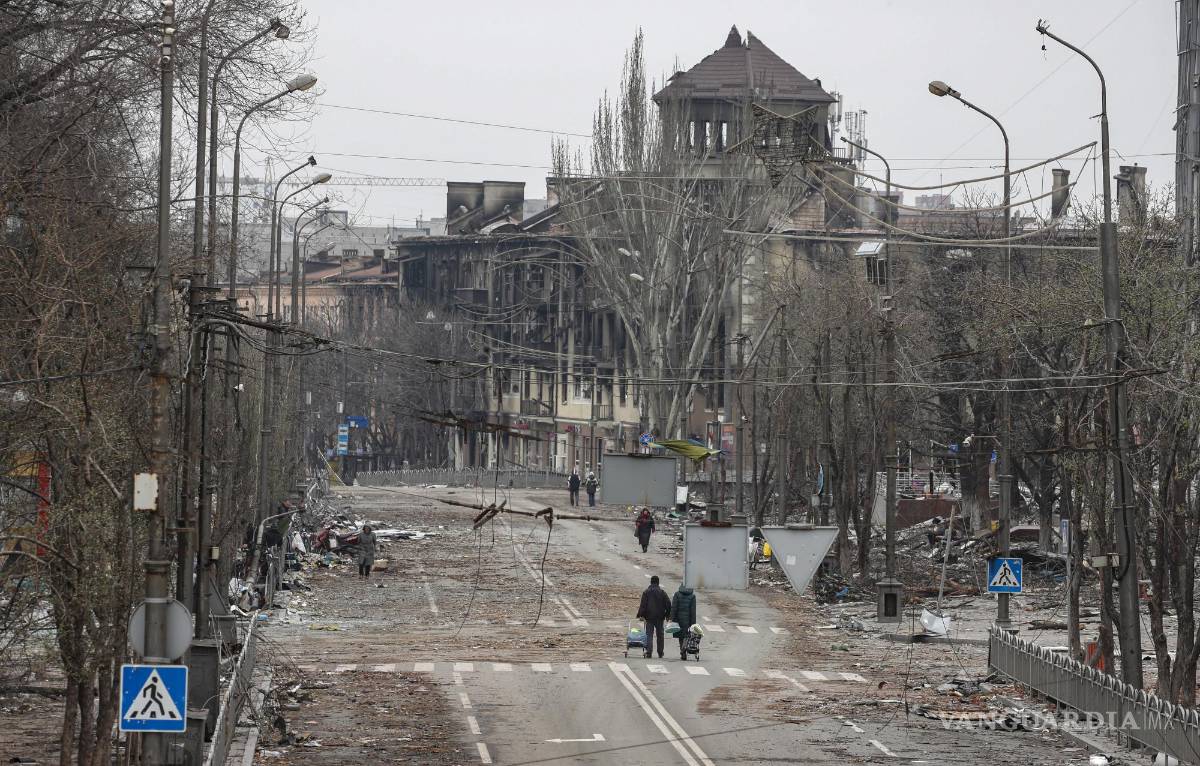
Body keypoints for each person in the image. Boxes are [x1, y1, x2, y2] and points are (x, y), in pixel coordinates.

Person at [636, 575, 672, 659]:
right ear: (658, 583)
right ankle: (660, 652)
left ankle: (649, 652)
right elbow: (668, 604)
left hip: (649, 616)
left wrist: (640, 615)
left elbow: (643, 605)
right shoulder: (662, 592)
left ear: (651, 582)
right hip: (660, 616)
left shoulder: (646, 592)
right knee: (660, 635)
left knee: (649, 634)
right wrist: (667, 615)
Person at [670, 584, 697, 660]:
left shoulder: (677, 594)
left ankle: (682, 650)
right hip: (687, 620)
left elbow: (674, 607)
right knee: (686, 635)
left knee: (680, 636)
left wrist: (671, 618)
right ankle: (683, 650)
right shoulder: (692, 596)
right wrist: (693, 624)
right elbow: (693, 611)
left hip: (678, 619)